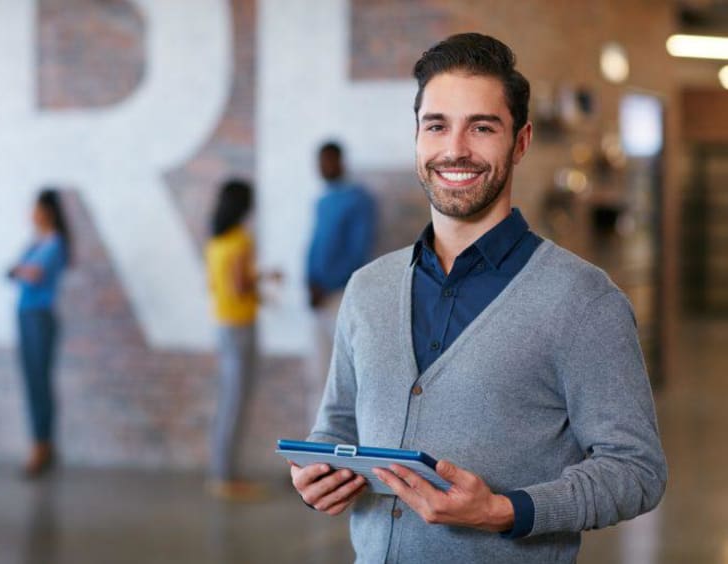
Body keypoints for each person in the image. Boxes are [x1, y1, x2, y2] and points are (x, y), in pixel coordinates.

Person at [289, 33, 667, 563]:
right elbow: (337, 425)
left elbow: (636, 470)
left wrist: (503, 510)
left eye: (482, 127)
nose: (455, 149)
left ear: (521, 141)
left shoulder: (583, 301)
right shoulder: (367, 289)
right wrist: (317, 471)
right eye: (437, 125)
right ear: (418, 137)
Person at [204, 178, 279, 501]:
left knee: (227, 400)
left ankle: (223, 471)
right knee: (235, 401)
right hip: (240, 326)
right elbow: (239, 286)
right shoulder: (240, 241)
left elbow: (215, 286)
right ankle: (224, 476)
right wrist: (265, 278)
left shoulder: (215, 242)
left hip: (222, 324)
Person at [306, 141, 376, 426]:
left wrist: (329, 284)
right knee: (316, 374)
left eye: (328, 160)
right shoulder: (322, 200)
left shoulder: (358, 200)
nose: (323, 167)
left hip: (340, 296)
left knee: (343, 379)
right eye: (319, 161)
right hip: (316, 299)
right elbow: (314, 248)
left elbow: (357, 251)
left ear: (340, 162)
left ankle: (342, 458)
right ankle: (313, 455)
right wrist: (309, 284)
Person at [9, 189, 72, 478]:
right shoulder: (36, 243)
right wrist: (19, 269)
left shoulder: (54, 243)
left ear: (47, 211)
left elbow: (30, 273)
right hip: (25, 315)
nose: (31, 215)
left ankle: (42, 445)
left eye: (36, 209)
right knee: (33, 382)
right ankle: (42, 442)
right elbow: (16, 270)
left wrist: (19, 270)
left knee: (39, 383)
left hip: (39, 318)